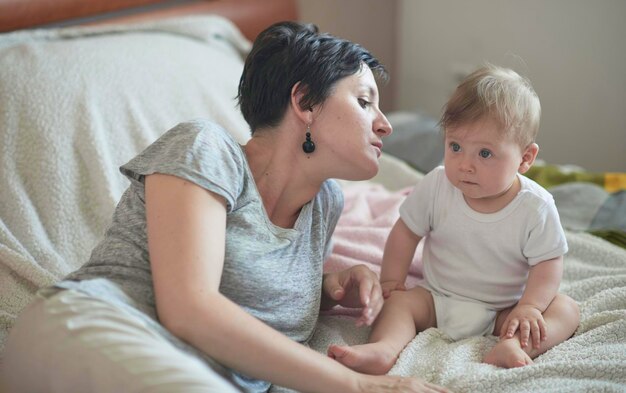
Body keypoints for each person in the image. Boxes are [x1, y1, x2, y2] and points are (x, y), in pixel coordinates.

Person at [3, 21, 449, 393]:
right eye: (364, 101)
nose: (385, 124)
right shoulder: (206, 148)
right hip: (98, 328)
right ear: (305, 102)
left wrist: (326, 288)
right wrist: (360, 386)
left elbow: (242, 285)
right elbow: (190, 309)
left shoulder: (325, 203)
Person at [327, 64, 580, 374]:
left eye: (484, 154)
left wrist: (528, 307)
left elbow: (548, 264)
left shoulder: (536, 207)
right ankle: (385, 349)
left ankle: (514, 345)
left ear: (525, 158)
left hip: (503, 309)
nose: (465, 165)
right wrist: (392, 280)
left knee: (565, 309)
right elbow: (405, 232)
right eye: (455, 147)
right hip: (437, 300)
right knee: (398, 304)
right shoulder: (436, 185)